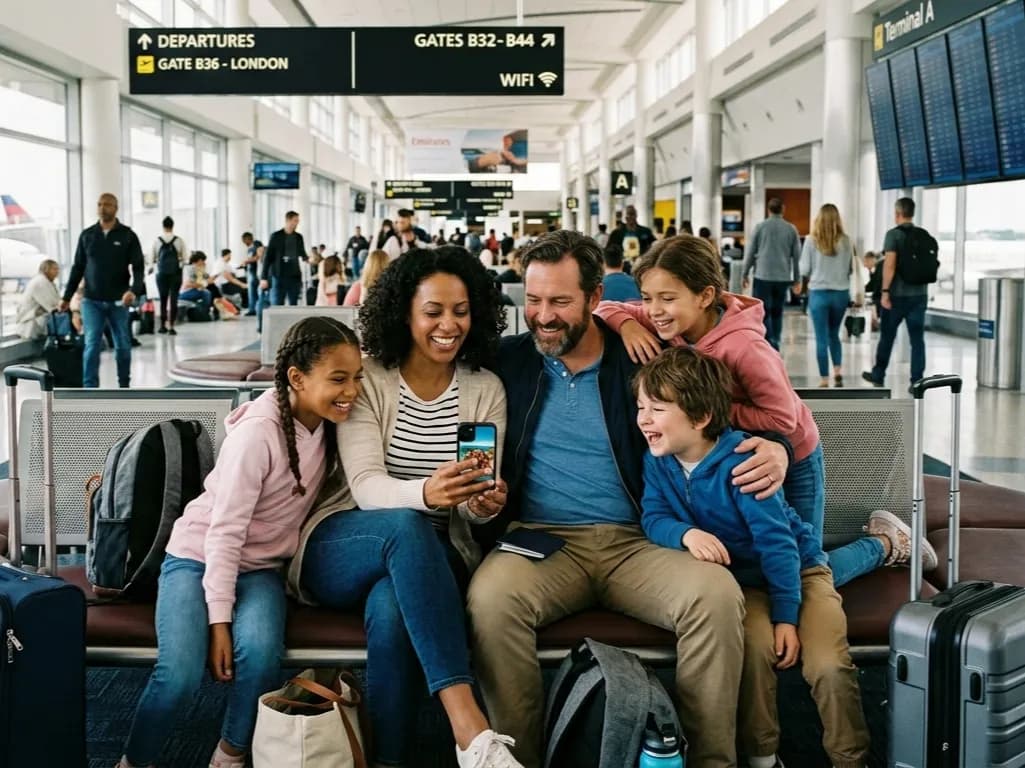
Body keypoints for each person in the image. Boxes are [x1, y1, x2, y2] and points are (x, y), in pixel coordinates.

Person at [467, 230, 792, 768]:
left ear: (596, 299)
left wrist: (777, 450)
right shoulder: (508, 362)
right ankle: (518, 758)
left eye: (560, 302)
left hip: (641, 537)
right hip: (542, 540)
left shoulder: (645, 358)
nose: (542, 316)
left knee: (714, 595)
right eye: (532, 300)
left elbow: (722, 415)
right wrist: (483, 502)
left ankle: (710, 759)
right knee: (490, 602)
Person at [288, 247, 523, 768]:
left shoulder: (485, 389)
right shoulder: (366, 379)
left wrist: (484, 503)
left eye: (461, 310)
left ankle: (391, 759)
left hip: (434, 557)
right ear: (404, 314)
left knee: (394, 611)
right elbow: (368, 486)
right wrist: (426, 494)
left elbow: (474, 510)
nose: (449, 324)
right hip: (349, 539)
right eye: (433, 311)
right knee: (405, 526)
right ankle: (468, 726)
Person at [594, 234, 937, 588]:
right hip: (737, 455)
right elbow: (603, 308)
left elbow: (783, 419)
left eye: (666, 299)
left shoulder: (746, 347)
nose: (653, 310)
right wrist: (628, 324)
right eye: (648, 299)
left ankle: (885, 544)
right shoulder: (671, 319)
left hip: (795, 454)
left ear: (705, 295)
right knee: (761, 565)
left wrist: (707, 407)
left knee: (807, 571)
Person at [115, 318, 363, 768]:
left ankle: (230, 753)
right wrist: (219, 621)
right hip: (198, 557)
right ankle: (135, 759)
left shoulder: (330, 424)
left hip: (262, 570)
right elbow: (224, 533)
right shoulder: (257, 435)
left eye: (357, 377)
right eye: (339, 379)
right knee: (180, 673)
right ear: (296, 378)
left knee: (262, 656)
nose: (353, 390)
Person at [634, 347, 870, 768]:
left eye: (656, 408)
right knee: (755, 654)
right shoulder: (660, 461)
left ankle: (850, 758)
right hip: (744, 583)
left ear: (701, 416)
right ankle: (762, 757)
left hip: (798, 571)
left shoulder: (743, 463)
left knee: (829, 665)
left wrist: (786, 616)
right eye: (640, 407)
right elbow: (654, 515)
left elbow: (778, 545)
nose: (643, 419)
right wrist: (685, 533)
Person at [59, 193, 145, 389]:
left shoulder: (127, 235)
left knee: (122, 345)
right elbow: (77, 268)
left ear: (115, 208)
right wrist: (66, 297)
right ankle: (90, 389)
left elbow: (138, 267)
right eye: (99, 204)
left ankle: (124, 386)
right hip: (92, 301)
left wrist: (133, 290)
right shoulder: (87, 235)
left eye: (107, 204)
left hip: (119, 301)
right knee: (91, 345)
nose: (102, 208)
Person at [863, 197, 934, 388]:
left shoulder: (893, 235)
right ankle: (917, 380)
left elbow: (890, 265)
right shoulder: (924, 235)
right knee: (917, 340)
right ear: (912, 213)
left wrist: (885, 292)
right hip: (919, 296)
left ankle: (878, 374)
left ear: (897, 214)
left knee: (887, 337)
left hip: (897, 297)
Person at [798, 204, 861, 387]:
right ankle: (838, 371)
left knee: (821, 337)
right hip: (840, 294)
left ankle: (824, 378)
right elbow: (851, 268)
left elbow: (805, 269)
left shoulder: (811, 240)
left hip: (818, 294)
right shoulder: (847, 241)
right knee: (834, 334)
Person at [741, 198, 802, 351]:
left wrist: (744, 273)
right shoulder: (791, 229)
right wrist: (797, 280)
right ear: (783, 209)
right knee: (777, 311)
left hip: (763, 276)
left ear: (768, 210)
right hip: (782, 277)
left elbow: (750, 252)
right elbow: (797, 257)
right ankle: (776, 342)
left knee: (763, 311)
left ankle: (768, 342)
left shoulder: (760, 228)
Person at [260, 211, 305, 306]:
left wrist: (309, 259)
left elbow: (303, 254)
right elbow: (268, 257)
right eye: (295, 220)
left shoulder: (298, 237)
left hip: (294, 276)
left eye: (297, 221)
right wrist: (263, 278)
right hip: (279, 275)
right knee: (277, 304)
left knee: (294, 304)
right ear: (287, 220)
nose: (296, 223)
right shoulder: (276, 236)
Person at [151, 216, 187, 335]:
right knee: (174, 299)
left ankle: (162, 326)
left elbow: (151, 259)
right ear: (173, 226)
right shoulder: (179, 240)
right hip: (175, 273)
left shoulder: (157, 241)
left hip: (161, 274)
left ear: (163, 226)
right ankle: (171, 326)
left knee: (163, 299)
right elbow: (185, 259)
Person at [16, 259, 61, 339]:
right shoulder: (40, 282)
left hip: (37, 324)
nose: (58, 272)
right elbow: (52, 304)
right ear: (45, 270)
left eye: (58, 269)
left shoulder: (47, 282)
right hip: (30, 326)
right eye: (54, 269)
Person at [179, 252, 214, 317]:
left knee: (213, 290)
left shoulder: (199, 269)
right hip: (185, 293)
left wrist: (204, 281)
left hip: (195, 291)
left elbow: (210, 280)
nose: (204, 263)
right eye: (203, 261)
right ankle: (204, 314)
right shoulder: (189, 268)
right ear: (200, 260)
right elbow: (188, 284)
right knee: (206, 293)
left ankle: (206, 312)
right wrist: (204, 283)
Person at [241, 232, 263, 318]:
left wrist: (247, 261)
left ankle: (253, 309)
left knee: (254, 292)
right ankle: (252, 308)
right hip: (250, 272)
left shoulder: (256, 245)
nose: (243, 242)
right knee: (252, 292)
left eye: (244, 240)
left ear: (248, 239)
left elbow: (258, 257)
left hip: (255, 273)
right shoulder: (249, 249)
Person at [863, 251, 883, 332]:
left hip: (881, 297)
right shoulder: (877, 267)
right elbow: (872, 285)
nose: (865, 265)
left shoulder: (879, 266)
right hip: (880, 296)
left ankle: (875, 324)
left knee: (873, 303)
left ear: (871, 259)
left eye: (866, 262)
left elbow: (875, 285)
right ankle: (875, 323)